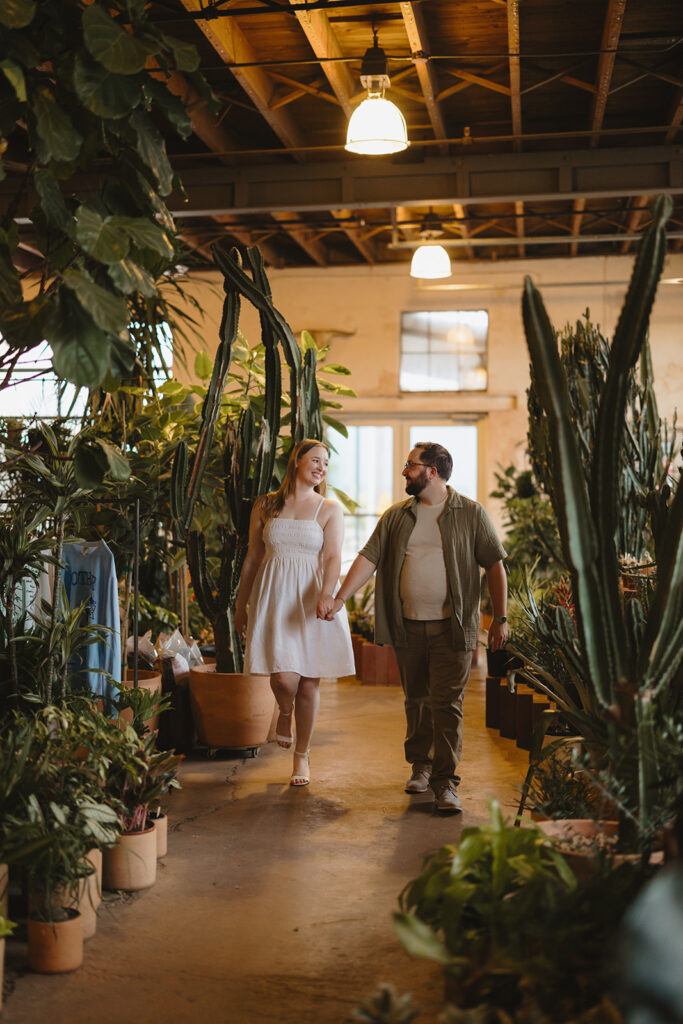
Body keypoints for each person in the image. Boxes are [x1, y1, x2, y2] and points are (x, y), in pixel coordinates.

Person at [328, 441, 508, 813]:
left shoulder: (470, 513)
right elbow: (368, 558)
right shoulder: (397, 516)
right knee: (417, 701)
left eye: (411, 465)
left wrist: (500, 619)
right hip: (408, 627)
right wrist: (339, 598)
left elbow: (494, 565)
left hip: (453, 629)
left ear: (432, 471)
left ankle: (446, 782)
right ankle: (421, 767)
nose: (404, 471)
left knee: (448, 704)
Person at [234, 439, 355, 787]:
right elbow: (253, 559)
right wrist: (241, 606)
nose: (321, 467)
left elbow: (333, 557)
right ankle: (284, 713)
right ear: (296, 462)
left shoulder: (329, 508)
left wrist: (327, 594)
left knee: (309, 682)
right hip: (274, 598)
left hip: (310, 598)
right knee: (284, 677)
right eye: (315, 460)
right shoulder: (267, 505)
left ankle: (301, 757)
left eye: (326, 463)